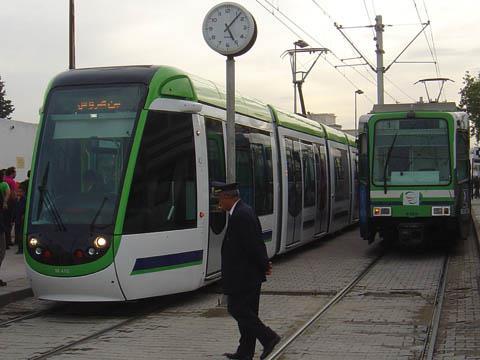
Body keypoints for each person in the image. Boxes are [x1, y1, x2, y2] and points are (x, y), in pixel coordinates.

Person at [215, 182, 280, 360]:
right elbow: (255, 242)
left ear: (228, 197)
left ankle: (268, 337)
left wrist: (264, 264)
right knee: (248, 312)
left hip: (244, 276)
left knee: (237, 309)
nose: (219, 203)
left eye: (220, 198)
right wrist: (264, 264)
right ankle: (245, 352)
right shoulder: (242, 211)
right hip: (248, 275)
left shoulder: (241, 215)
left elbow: (253, 245)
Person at [14, 186, 26, 254]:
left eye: (20, 192)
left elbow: (23, 209)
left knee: (21, 234)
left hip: (22, 219)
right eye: (17, 191)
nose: (18, 193)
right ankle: (19, 248)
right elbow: (15, 210)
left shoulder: (24, 199)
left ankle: (21, 249)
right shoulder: (17, 199)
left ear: (23, 192)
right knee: (18, 234)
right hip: (17, 219)